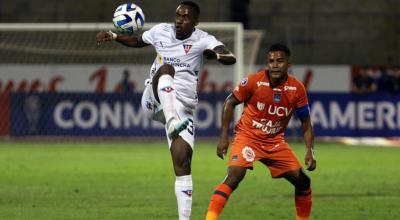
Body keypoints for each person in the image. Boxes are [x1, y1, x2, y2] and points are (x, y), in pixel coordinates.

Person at [96, 1, 236, 220]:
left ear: (195, 22)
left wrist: (215, 56)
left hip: (183, 108)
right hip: (155, 100)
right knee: (165, 69)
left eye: (185, 17)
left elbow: (230, 57)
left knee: (183, 162)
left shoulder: (203, 39)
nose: (179, 20)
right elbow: (137, 41)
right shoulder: (161, 30)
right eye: (177, 15)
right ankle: (171, 122)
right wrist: (115, 36)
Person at [205, 43, 316, 220]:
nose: (274, 65)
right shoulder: (254, 81)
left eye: (280, 61)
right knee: (234, 177)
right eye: (271, 61)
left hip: (275, 142)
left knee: (303, 182)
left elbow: (306, 122)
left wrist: (310, 151)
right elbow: (229, 102)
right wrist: (224, 137)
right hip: (248, 137)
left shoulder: (297, 88)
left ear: (289, 63)